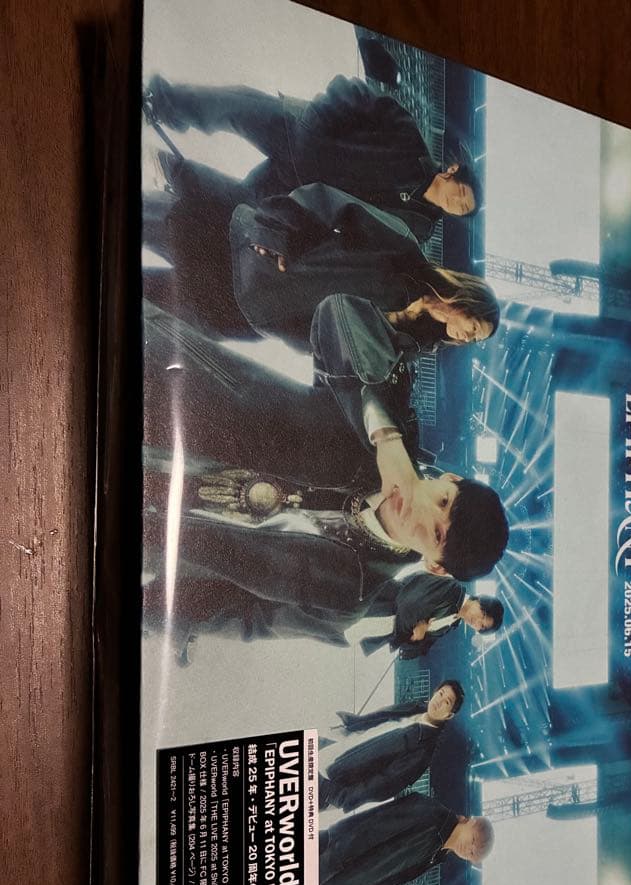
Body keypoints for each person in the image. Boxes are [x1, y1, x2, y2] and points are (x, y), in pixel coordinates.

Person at [142, 301, 509, 633]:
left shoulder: (349, 596)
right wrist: (386, 437)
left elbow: (245, 617)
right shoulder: (382, 426)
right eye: (443, 501)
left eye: (437, 535)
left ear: (435, 566)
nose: (421, 511)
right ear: (449, 479)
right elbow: (338, 312)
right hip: (157, 383)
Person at [143, 180, 499, 349]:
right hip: (245, 251)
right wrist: (280, 236)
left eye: (474, 339)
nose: (468, 338)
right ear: (466, 301)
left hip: (240, 311)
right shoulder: (405, 250)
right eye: (474, 328)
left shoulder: (409, 341)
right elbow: (328, 201)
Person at [143, 73, 482, 243]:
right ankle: (160, 102)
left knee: (240, 203)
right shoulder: (410, 140)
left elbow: (358, 238)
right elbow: (356, 93)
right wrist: (316, 122)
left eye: (462, 209)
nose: (456, 205)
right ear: (453, 171)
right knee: (234, 109)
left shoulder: (413, 228)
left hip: (301, 193)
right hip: (301, 135)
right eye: (462, 195)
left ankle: (167, 170)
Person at [319, 791, 494, 885]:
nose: (467, 849)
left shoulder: (437, 855)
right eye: (473, 839)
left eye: (472, 853)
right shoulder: (430, 812)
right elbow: (372, 827)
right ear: (470, 821)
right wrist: (331, 860)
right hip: (333, 865)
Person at [319, 680, 464, 812]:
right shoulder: (415, 707)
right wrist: (352, 722)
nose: (439, 701)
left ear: (449, 715)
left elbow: (385, 784)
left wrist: (342, 797)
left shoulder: (423, 751)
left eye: (447, 702)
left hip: (333, 779)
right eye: (441, 694)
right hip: (335, 742)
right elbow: (379, 717)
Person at [359, 571, 504, 658]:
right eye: (483, 616)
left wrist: (417, 637)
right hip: (377, 604)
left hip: (372, 632)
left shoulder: (451, 624)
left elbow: (414, 651)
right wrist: (407, 637)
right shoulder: (452, 589)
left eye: (482, 626)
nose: (477, 622)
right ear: (479, 600)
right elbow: (408, 604)